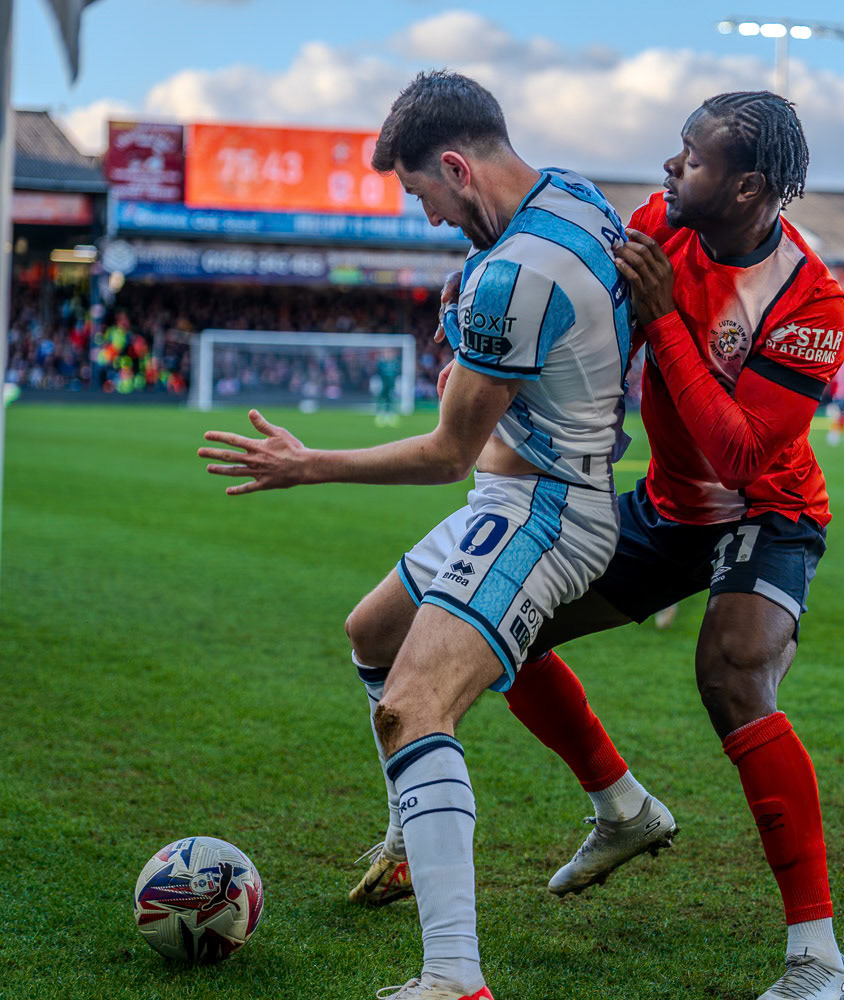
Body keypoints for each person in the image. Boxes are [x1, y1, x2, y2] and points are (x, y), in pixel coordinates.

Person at [386, 91, 844, 1000]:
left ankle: (818, 959)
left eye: (695, 156)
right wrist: (483, 291)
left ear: (750, 185)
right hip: (671, 508)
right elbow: (571, 307)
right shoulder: (655, 225)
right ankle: (623, 809)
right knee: (506, 627)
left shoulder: (812, 302)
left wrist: (670, 319)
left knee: (732, 672)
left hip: (769, 511)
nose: (672, 167)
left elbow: (740, 451)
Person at [199, 70, 638, 1000]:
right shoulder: (574, 195)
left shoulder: (514, 274)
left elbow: (446, 452)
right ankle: (419, 829)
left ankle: (454, 980)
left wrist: (306, 463)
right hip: (523, 492)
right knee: (372, 632)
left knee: (412, 705)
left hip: (548, 510)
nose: (430, 219)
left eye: (422, 197)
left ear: (453, 165)